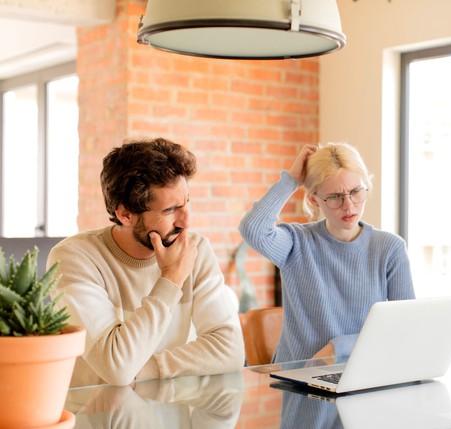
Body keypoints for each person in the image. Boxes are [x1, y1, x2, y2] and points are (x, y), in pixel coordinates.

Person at [47, 138, 245, 387]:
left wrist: (146, 369)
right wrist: (171, 278)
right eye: (170, 210)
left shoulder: (196, 249)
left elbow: (231, 351)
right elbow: (117, 367)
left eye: (186, 203)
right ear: (125, 214)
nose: (186, 222)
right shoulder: (75, 258)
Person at [238, 142, 415, 363]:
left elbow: (404, 327)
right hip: (301, 384)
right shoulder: (297, 243)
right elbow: (252, 228)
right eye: (334, 197)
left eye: (356, 192)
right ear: (314, 199)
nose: (349, 206)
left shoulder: (390, 248)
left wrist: (338, 348)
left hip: (362, 375)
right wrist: (291, 180)